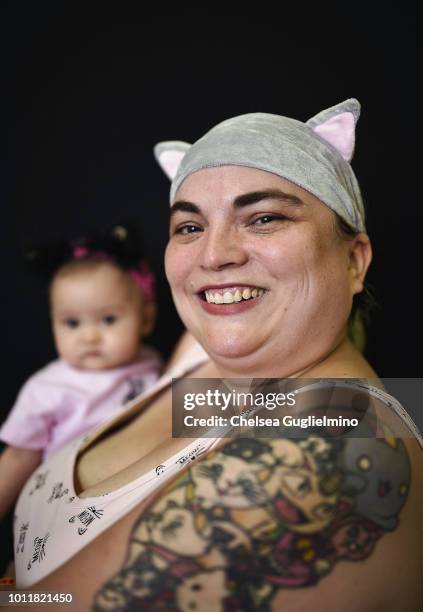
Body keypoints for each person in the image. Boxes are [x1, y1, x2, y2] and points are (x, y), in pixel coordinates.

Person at [6, 100, 423, 611]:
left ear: (354, 261)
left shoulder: (326, 449)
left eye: (264, 218)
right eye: (189, 227)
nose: (214, 254)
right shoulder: (216, 362)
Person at [0, 224, 161, 521]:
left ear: (146, 319)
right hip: (64, 509)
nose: (89, 337)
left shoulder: (150, 363)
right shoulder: (48, 389)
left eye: (108, 319)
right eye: (72, 323)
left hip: (133, 493)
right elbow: (19, 458)